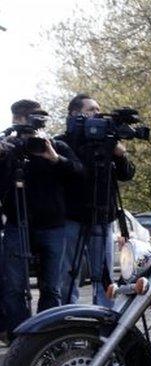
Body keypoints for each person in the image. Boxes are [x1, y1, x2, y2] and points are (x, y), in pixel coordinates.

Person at [0, 99, 84, 333]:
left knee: (52, 288)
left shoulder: (55, 146)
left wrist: (55, 158)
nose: (39, 124)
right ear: (17, 120)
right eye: (34, 118)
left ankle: (47, 335)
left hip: (54, 227)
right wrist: (6, 153)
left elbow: (79, 175)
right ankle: (20, 336)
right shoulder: (9, 148)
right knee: (14, 287)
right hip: (17, 225)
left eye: (41, 120)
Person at [58, 94, 136, 307]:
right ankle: (68, 321)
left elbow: (127, 174)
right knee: (68, 274)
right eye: (91, 109)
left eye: (98, 109)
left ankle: (103, 323)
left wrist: (119, 155)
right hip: (73, 217)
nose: (97, 113)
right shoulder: (63, 142)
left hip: (103, 217)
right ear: (75, 113)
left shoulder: (108, 142)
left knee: (105, 277)